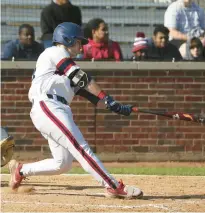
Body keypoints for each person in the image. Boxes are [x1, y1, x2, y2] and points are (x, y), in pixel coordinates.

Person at [8, 22, 143, 199]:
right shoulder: (55, 52)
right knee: (80, 147)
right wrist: (105, 96)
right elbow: (83, 79)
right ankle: (113, 186)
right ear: (67, 39)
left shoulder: (62, 68)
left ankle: (21, 170)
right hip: (48, 105)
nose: (81, 46)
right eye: (79, 41)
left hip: (56, 109)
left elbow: (93, 97)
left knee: (62, 164)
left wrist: (116, 106)